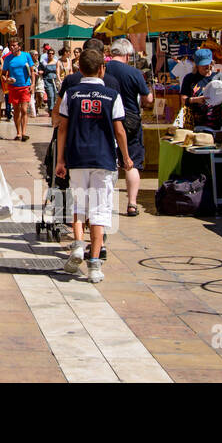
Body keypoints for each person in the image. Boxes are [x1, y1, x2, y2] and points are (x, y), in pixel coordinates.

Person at [55, 47, 133, 284]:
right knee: (99, 211)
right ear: (102, 69)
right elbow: (119, 130)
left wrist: (60, 159)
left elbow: (62, 127)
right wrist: (127, 157)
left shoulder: (72, 94)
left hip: (77, 157)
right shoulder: (112, 95)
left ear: (79, 69)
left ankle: (78, 244)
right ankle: (94, 264)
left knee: (78, 205)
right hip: (104, 158)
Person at [104, 38, 152, 218]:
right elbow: (147, 100)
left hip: (106, 119)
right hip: (130, 120)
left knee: (107, 163)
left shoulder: (102, 70)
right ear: (128, 54)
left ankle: (105, 204)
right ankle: (132, 204)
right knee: (131, 163)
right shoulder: (134, 72)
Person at [180, 48, 222, 131]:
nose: (206, 66)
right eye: (203, 64)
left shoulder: (220, 77)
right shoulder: (189, 78)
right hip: (196, 123)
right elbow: (183, 99)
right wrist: (195, 100)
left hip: (220, 123)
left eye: (208, 63)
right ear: (196, 65)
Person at [1, 37, 35, 141]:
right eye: (10, 45)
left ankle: (24, 132)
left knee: (24, 109)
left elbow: (32, 71)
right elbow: (3, 74)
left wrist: (33, 84)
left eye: (14, 45)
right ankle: (18, 133)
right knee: (16, 110)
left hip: (25, 86)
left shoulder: (26, 56)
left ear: (19, 46)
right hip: (13, 87)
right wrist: (7, 80)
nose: (12, 47)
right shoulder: (7, 59)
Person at [40, 45, 59, 115]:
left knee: (55, 95)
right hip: (47, 80)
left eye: (52, 53)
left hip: (55, 80)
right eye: (49, 53)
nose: (50, 55)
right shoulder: (43, 62)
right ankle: (51, 109)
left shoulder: (56, 62)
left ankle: (53, 108)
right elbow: (40, 69)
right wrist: (41, 71)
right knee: (50, 95)